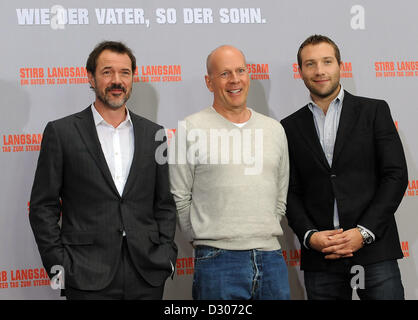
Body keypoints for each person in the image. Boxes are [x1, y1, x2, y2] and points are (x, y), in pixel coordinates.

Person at [29, 41, 177, 300]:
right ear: (91, 77)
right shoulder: (62, 133)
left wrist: (166, 255)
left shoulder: (154, 133)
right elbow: (43, 207)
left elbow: (164, 203)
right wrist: (61, 268)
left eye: (125, 73)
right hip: (84, 274)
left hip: (147, 274)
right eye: (107, 72)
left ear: (132, 78)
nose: (117, 80)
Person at [281, 35, 408, 300]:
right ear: (300, 71)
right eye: (310, 64)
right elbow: (289, 190)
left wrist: (363, 233)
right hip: (321, 256)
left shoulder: (374, 111)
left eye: (327, 61)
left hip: (375, 252)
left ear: (340, 65)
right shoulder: (289, 127)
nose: (319, 71)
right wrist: (310, 236)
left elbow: (395, 176)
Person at [169, 45, 290, 300]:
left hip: (271, 258)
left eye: (240, 71)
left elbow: (281, 192)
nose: (235, 80)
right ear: (209, 82)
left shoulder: (274, 130)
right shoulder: (190, 128)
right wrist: (204, 237)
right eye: (224, 74)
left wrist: (261, 230)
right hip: (217, 261)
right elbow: (180, 196)